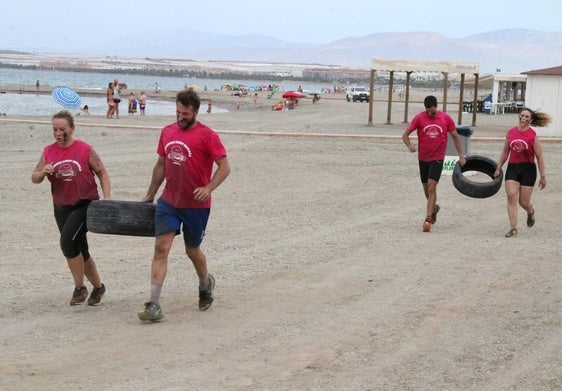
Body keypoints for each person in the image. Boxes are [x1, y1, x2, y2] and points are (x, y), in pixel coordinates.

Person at [138, 89, 230, 321]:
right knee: (162, 247)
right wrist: (150, 194)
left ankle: (205, 283)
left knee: (192, 250)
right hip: (169, 202)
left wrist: (208, 188)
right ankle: (154, 305)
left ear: (196, 112)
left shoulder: (207, 136)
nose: (180, 117)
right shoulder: (167, 131)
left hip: (196, 206)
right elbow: (161, 164)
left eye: (185, 114)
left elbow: (225, 167)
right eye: (178, 112)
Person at [31, 110, 111, 306]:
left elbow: (102, 172)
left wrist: (107, 199)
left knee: (67, 243)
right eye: (55, 129)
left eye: (62, 129)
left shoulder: (84, 149)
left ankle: (79, 288)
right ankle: (99, 287)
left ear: (72, 128)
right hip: (61, 207)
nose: (58, 133)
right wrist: (42, 172)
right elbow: (34, 176)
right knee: (80, 249)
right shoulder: (48, 151)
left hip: (85, 204)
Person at [402, 95, 466, 232]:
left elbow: (455, 136)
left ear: (436, 106)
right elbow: (405, 135)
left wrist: (461, 155)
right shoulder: (419, 118)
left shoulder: (445, 118)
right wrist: (409, 146)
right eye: (428, 111)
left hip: (438, 157)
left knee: (432, 187)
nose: (430, 113)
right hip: (423, 158)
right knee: (426, 189)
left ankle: (427, 219)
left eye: (432, 110)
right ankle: (434, 208)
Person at [493, 108, 551, 238]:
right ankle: (513, 228)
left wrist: (543, 177)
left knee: (523, 202)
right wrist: (498, 167)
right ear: (519, 117)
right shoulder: (511, 132)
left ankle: (530, 211)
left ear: (530, 120)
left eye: (526, 117)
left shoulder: (533, 136)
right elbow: (505, 152)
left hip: (528, 169)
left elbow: (540, 157)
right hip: (513, 167)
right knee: (511, 195)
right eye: (522, 115)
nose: (523, 118)